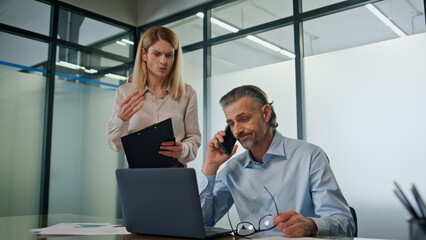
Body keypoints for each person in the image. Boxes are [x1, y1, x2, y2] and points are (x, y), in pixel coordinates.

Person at [199, 85, 355, 237]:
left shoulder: (310, 156)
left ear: (266, 113)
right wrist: (210, 166)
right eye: (231, 124)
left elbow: (345, 223)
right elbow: (203, 223)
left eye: (244, 119)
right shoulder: (233, 168)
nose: (237, 130)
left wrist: (311, 225)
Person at [107, 26, 201, 167]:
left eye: (169, 55)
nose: (163, 61)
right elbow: (115, 145)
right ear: (144, 54)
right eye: (156, 54)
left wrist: (184, 149)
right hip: (138, 176)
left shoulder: (187, 93)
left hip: (175, 173)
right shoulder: (124, 92)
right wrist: (121, 120)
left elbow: (194, 138)